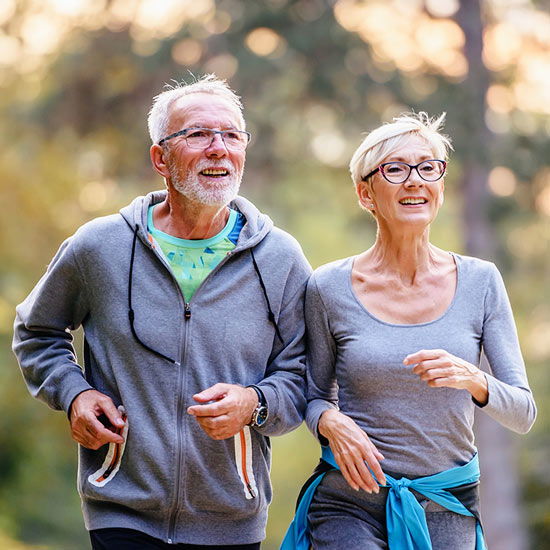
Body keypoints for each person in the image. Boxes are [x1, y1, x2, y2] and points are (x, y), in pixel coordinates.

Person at [13, 74, 311, 550]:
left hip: (231, 517)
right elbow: (36, 331)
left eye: (232, 135)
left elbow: (305, 376)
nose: (218, 148)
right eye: (198, 134)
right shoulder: (100, 247)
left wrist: (254, 404)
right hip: (121, 511)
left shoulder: (280, 259)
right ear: (160, 158)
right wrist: (75, 395)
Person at [281, 112, 536, 550]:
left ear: (440, 184)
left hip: (445, 502)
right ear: (366, 194)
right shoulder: (328, 287)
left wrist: (472, 378)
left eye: (428, 167)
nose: (415, 180)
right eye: (395, 169)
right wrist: (329, 422)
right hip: (349, 501)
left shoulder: (481, 281)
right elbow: (313, 393)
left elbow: (523, 412)